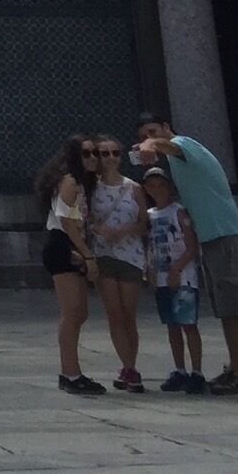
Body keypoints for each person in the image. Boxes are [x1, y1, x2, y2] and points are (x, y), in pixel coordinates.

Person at [134, 114, 238, 393]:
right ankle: (235, 367)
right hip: (211, 238)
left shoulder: (185, 145)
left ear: (166, 127)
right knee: (225, 307)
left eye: (152, 131)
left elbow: (172, 146)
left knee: (233, 307)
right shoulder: (176, 162)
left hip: (224, 234)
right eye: (143, 136)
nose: (147, 139)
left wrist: (152, 142)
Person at [38, 134, 104, 394]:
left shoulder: (84, 183)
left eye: (94, 153)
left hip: (72, 243)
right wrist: (87, 255)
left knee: (80, 312)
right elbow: (67, 222)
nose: (92, 158)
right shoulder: (69, 181)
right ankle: (70, 373)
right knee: (71, 311)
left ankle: (73, 370)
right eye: (86, 154)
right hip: (62, 244)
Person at [88, 133, 149, 391]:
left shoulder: (133, 188)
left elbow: (144, 222)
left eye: (115, 153)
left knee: (128, 313)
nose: (111, 158)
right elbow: (83, 218)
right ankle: (128, 367)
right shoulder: (91, 187)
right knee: (114, 313)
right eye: (105, 153)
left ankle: (131, 362)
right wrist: (99, 230)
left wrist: (123, 231)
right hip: (104, 253)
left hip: (130, 254)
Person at [142, 166, 206, 394]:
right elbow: (149, 245)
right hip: (160, 274)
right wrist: (149, 269)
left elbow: (191, 246)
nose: (156, 189)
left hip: (182, 275)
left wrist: (176, 269)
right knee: (171, 325)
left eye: (160, 185)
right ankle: (179, 369)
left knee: (188, 324)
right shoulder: (150, 215)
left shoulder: (178, 212)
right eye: (151, 186)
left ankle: (197, 371)